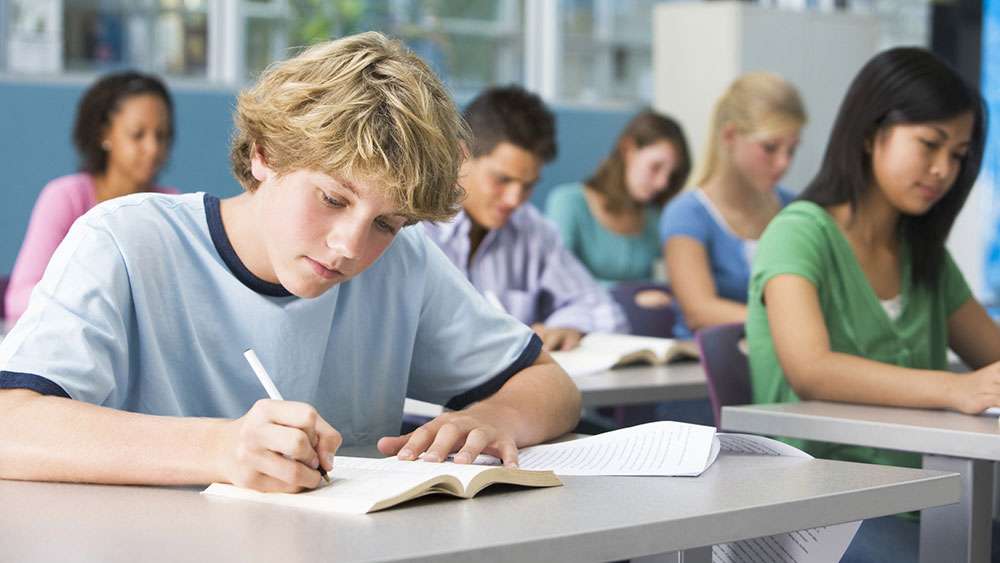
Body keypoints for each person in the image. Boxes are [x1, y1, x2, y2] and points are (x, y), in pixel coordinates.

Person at [0, 32, 581, 493]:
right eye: (332, 198)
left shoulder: (403, 262)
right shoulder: (125, 241)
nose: (351, 246)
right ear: (264, 155)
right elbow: (10, 425)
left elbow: (549, 385)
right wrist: (219, 449)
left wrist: (496, 418)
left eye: (387, 221)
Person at [747, 47, 999, 561]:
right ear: (868, 134)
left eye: (957, 154)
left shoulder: (922, 253)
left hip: (927, 492)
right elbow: (811, 371)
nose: (942, 170)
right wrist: (957, 389)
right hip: (820, 507)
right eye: (929, 144)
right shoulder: (798, 233)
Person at [423, 86, 627, 352]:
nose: (514, 200)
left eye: (528, 185)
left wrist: (568, 325)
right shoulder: (414, 227)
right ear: (460, 156)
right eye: (502, 180)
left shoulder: (533, 231)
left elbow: (605, 312)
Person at [5, 71, 178, 323]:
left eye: (161, 136)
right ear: (103, 134)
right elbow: (18, 301)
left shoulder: (171, 206)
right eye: (137, 135)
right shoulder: (65, 197)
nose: (153, 148)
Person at [660, 72, 806, 338]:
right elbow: (700, 311)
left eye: (792, 150)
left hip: (782, 364)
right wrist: (797, 324)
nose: (784, 163)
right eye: (770, 147)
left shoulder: (795, 210)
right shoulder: (686, 214)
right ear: (730, 136)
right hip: (707, 370)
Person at [546, 110, 691, 287]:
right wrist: (629, 294)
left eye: (671, 174)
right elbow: (557, 280)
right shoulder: (568, 203)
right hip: (582, 312)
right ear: (628, 150)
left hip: (640, 314)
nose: (663, 183)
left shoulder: (653, 217)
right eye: (655, 167)